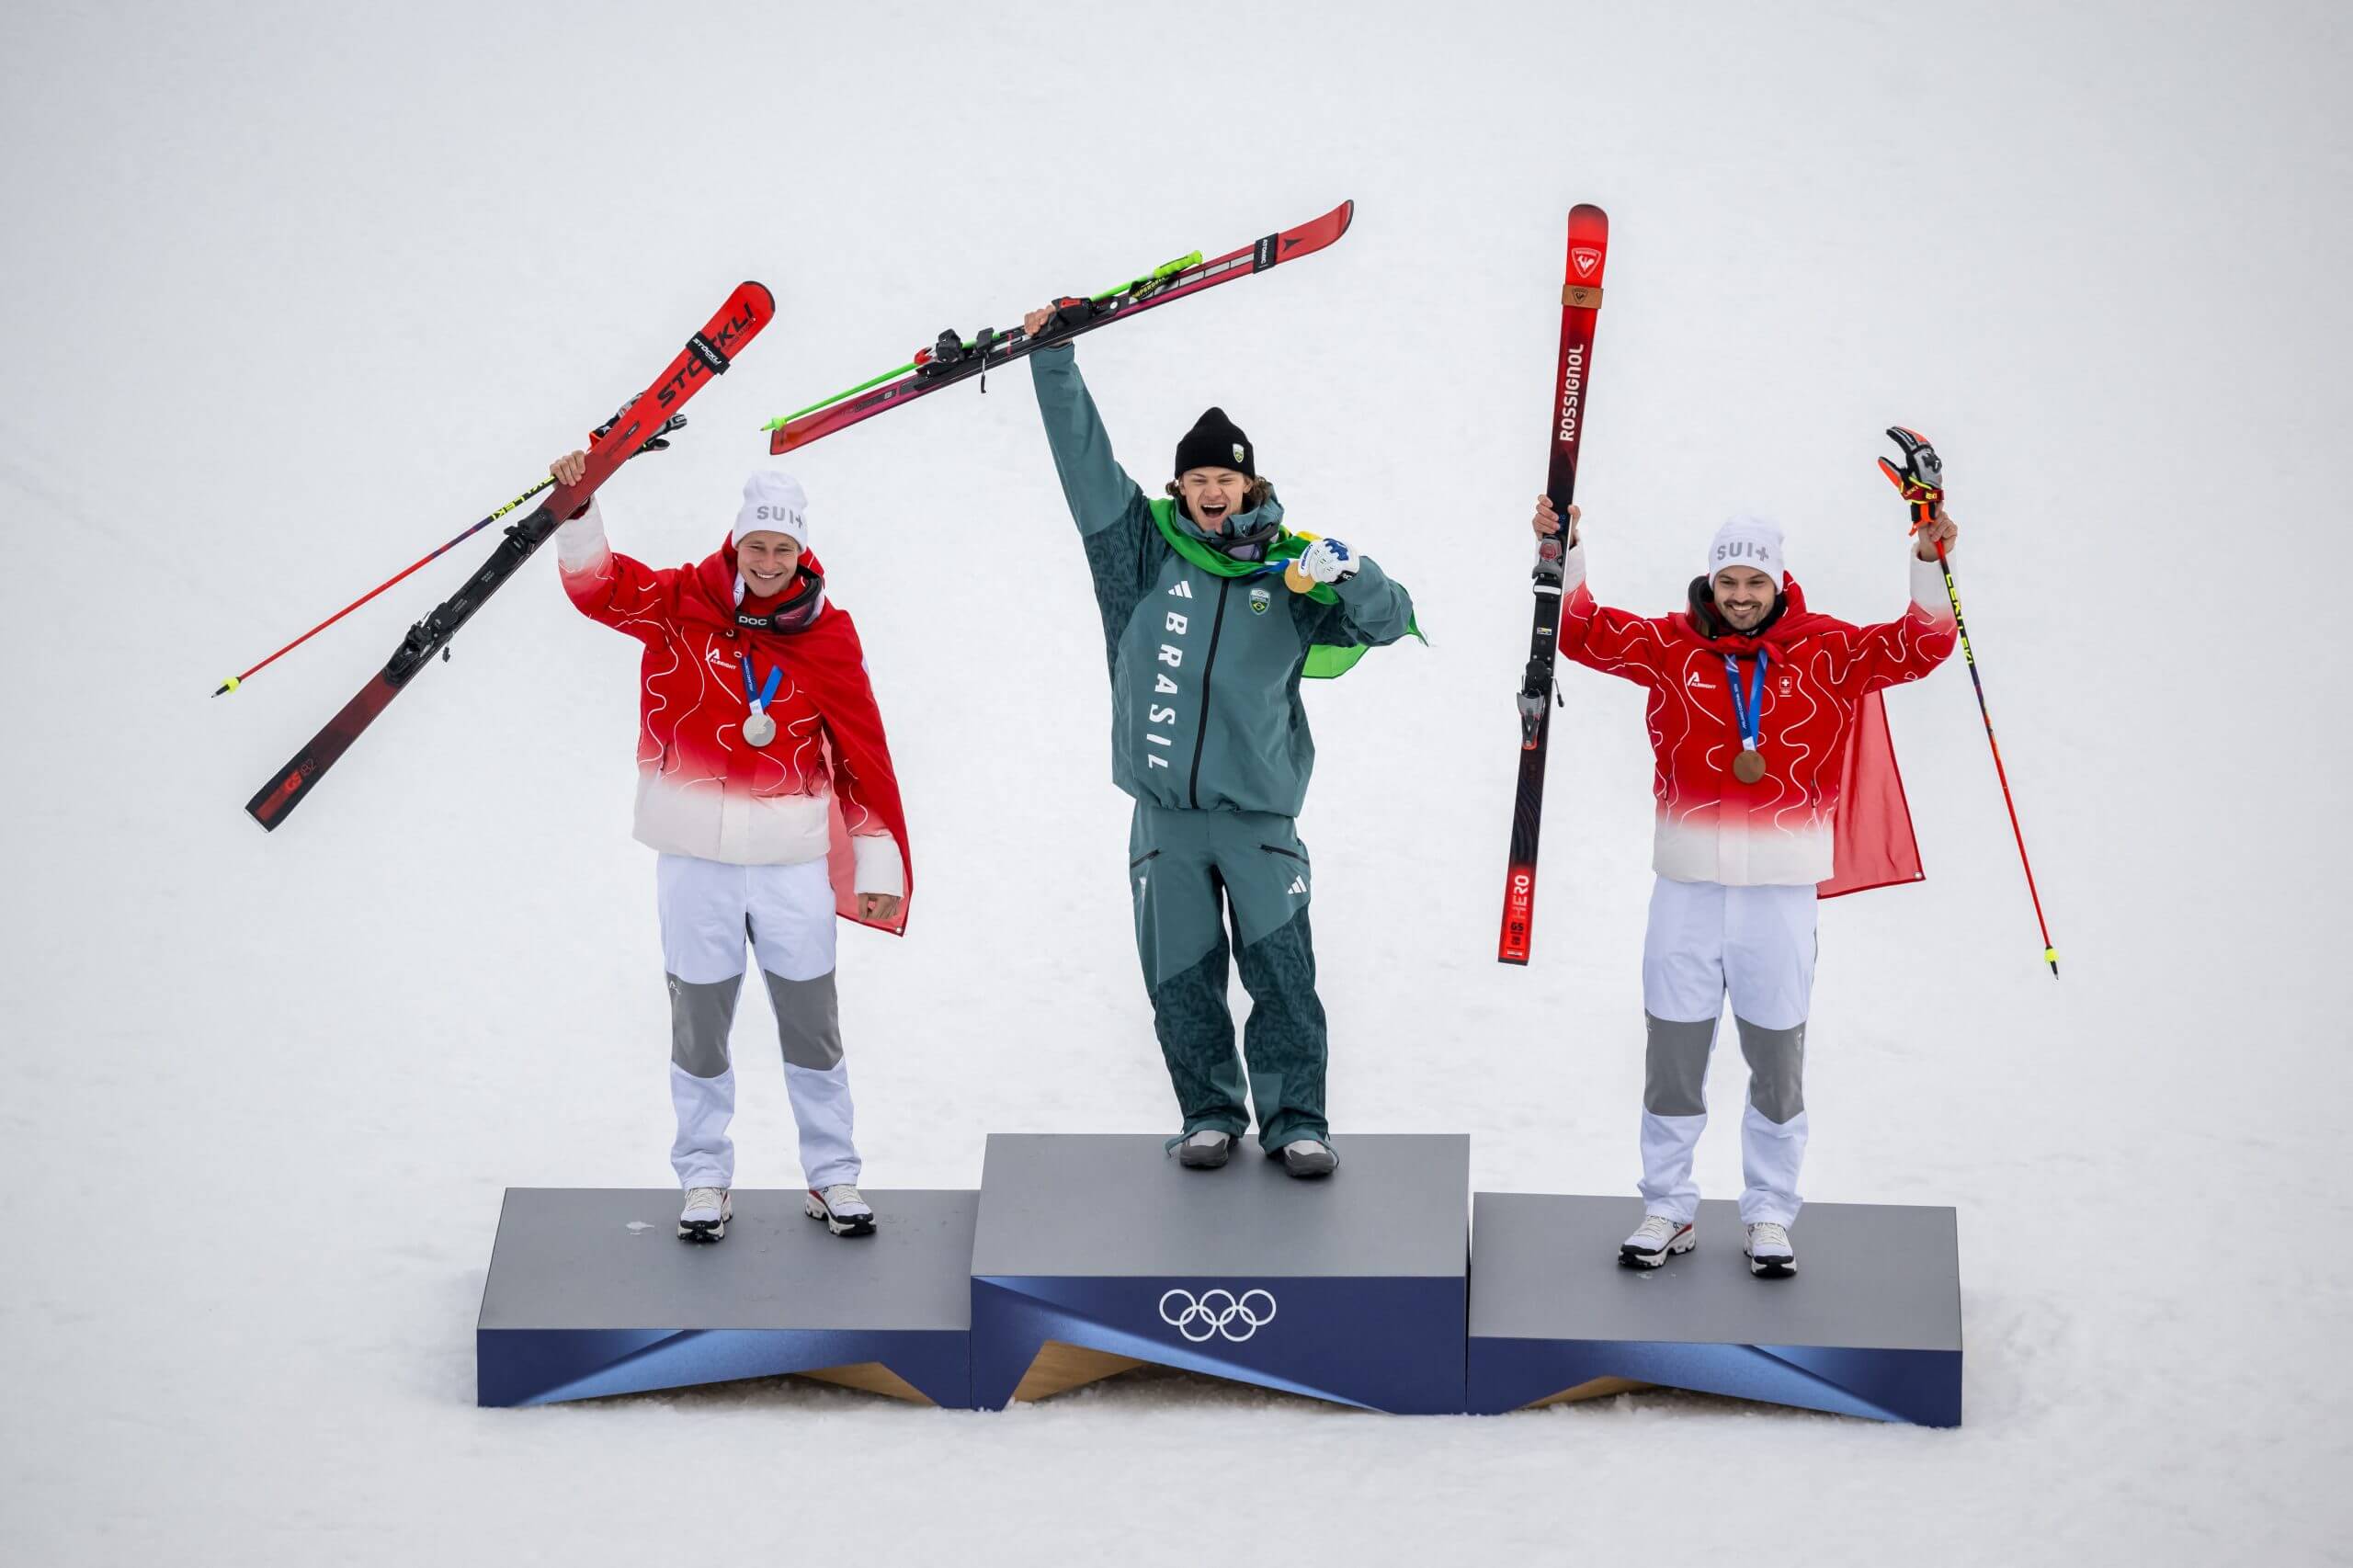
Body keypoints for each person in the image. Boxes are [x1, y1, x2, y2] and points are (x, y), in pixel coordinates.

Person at [1022, 304, 1419, 1177]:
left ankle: (1298, 1123)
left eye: (1225, 479)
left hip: (1258, 820)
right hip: (1165, 820)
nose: (1211, 490)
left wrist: (1350, 572)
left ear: (1249, 486)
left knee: (1283, 976)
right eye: (1196, 477)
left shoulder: (1292, 568)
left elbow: (1390, 624)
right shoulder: (1136, 554)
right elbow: (1082, 463)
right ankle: (1208, 1113)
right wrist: (1053, 359)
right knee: (1180, 982)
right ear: (1180, 489)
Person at [1533, 490, 1959, 1275]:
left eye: (1753, 585)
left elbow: (1919, 647)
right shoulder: (1670, 646)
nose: (1739, 598)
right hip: (1687, 888)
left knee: (1775, 1058)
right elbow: (1582, 630)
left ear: (1779, 584)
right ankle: (1667, 1205)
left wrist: (1929, 562)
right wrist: (1568, 546)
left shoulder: (1827, 651)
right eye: (1727, 583)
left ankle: (1769, 1211)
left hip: (1781, 893)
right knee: (1674, 1052)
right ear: (1711, 583)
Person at [549, 450, 912, 1242]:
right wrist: (578, 510)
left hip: (791, 867)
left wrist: (877, 864)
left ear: (804, 553)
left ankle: (833, 1174)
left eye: (785, 550)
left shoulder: (829, 639)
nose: (771, 563)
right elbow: (599, 587)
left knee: (813, 1026)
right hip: (695, 864)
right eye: (758, 547)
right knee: (699, 1028)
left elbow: (862, 753)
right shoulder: (680, 604)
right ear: (736, 545)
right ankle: (705, 1176)